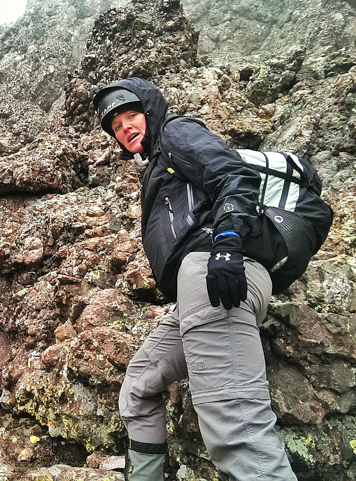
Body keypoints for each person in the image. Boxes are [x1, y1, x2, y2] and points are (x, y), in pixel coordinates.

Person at [92, 77, 297, 480]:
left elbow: (234, 176)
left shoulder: (175, 132)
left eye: (131, 115)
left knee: (235, 425)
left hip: (216, 274)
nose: (125, 128)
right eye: (116, 126)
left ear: (149, 112)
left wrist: (227, 243)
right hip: (197, 289)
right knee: (138, 387)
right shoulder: (157, 162)